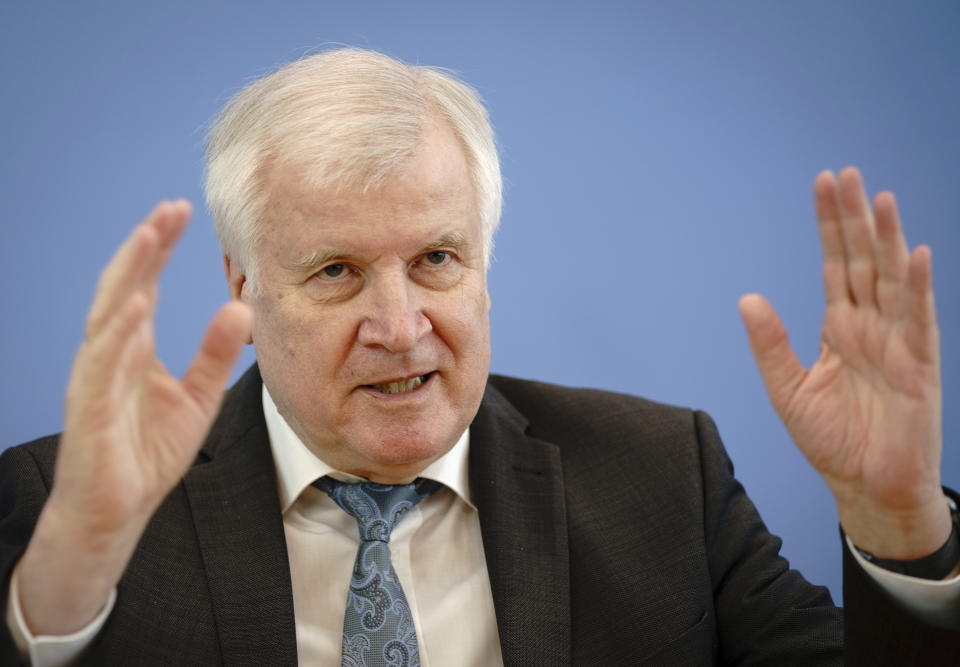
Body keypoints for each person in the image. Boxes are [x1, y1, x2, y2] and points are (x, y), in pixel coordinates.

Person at [1, 48, 957, 666]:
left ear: (485, 265)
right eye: (336, 270)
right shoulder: (71, 504)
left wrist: (898, 527)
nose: (401, 323)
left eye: (436, 260)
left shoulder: (664, 474)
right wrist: (66, 592)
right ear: (244, 287)